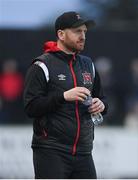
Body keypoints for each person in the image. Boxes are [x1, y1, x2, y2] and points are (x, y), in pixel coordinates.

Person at [23, 11, 108, 179]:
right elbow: (30, 107)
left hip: (84, 152)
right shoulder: (41, 65)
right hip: (51, 151)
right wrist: (63, 96)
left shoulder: (88, 64)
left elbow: (102, 98)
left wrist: (102, 105)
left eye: (84, 32)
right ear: (61, 34)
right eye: (77, 31)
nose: (83, 36)